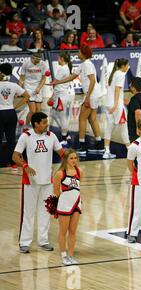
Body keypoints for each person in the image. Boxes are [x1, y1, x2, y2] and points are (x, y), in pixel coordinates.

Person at [12, 112, 64, 253]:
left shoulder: (51, 136)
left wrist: (69, 161)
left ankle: (43, 241)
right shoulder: (26, 136)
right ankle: (24, 242)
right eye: (44, 122)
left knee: (46, 211)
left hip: (47, 181)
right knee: (28, 212)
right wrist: (25, 166)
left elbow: (61, 153)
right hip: (30, 181)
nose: (47, 125)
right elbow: (15, 156)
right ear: (36, 124)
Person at [52, 45, 104, 156]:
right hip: (95, 94)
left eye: (79, 51)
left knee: (82, 118)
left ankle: (82, 146)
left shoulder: (87, 65)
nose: (77, 53)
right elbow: (72, 77)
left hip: (92, 94)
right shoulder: (83, 64)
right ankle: (100, 144)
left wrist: (88, 97)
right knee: (92, 119)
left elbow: (93, 81)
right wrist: (57, 82)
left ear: (83, 53)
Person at [53, 149, 82, 265]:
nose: (74, 160)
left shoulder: (79, 171)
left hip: (77, 204)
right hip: (64, 205)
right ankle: (63, 255)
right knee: (63, 231)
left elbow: (79, 188)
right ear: (66, 159)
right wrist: (64, 200)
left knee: (73, 231)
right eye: (71, 158)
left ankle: (70, 255)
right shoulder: (60, 173)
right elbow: (56, 191)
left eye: (75, 158)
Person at [0, 63, 30, 169]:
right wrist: (15, 106)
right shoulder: (14, 85)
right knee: (11, 139)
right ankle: (12, 162)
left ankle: (1, 163)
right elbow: (27, 96)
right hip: (11, 113)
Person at [103, 58, 131, 159]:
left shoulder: (114, 73)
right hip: (116, 106)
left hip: (108, 104)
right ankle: (131, 151)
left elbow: (114, 90)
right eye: (127, 65)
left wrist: (120, 100)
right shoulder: (121, 74)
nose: (128, 67)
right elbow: (117, 90)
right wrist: (116, 104)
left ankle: (106, 151)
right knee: (124, 129)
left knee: (109, 128)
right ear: (123, 66)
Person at [48, 51, 73, 145]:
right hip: (63, 95)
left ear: (62, 59)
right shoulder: (66, 67)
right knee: (53, 114)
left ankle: (64, 138)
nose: (57, 60)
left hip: (60, 97)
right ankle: (66, 133)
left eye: (58, 58)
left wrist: (52, 97)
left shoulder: (62, 68)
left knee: (62, 117)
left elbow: (55, 84)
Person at [19, 51, 47, 127]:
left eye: (39, 60)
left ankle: (36, 126)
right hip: (28, 87)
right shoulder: (26, 63)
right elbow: (22, 78)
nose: (38, 62)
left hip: (38, 88)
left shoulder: (43, 64)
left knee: (38, 111)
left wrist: (39, 88)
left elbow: (44, 78)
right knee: (32, 111)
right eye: (36, 60)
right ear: (32, 58)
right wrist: (19, 90)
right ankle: (26, 126)